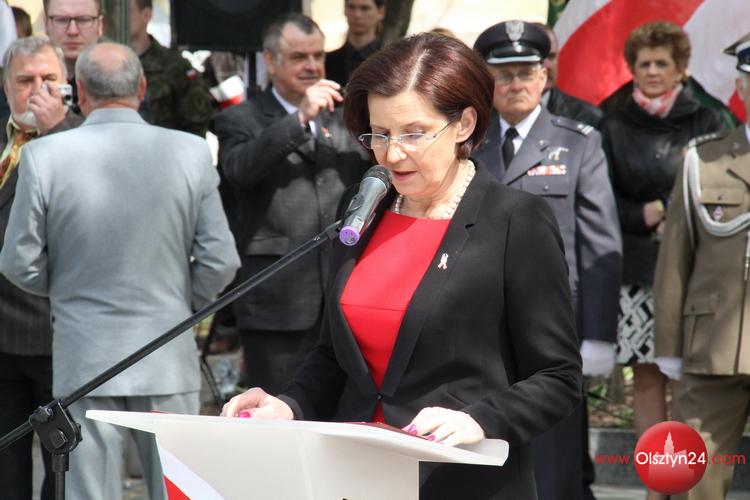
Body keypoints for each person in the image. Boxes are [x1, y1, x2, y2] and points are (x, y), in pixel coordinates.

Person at [222, 32, 583, 499]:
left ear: (464, 124)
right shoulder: (361, 210)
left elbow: (558, 378)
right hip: (354, 475)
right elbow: (335, 356)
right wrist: (288, 405)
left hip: (460, 480)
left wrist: (482, 419)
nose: (392, 154)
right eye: (380, 134)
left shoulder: (516, 220)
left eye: (413, 134)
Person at [0, 42, 240, 500]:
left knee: (90, 494)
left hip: (84, 354)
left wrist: (66, 292)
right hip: (167, 351)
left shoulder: (44, 156)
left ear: (80, 92)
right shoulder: (190, 152)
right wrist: (183, 304)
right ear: (142, 87)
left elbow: (17, 262)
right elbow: (221, 260)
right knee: (177, 491)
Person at [473, 20, 621, 500]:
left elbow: (600, 243)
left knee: (554, 455)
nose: (515, 84)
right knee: (485, 443)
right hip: (478, 321)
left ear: (544, 77)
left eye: (525, 73)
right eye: (504, 74)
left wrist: (598, 335)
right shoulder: (466, 142)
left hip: (552, 323)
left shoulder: (579, 141)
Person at [598, 23, 725, 500]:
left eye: (661, 64)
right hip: (635, 272)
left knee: (690, 379)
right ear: (633, 69)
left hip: (695, 270)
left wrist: (677, 209)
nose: (652, 71)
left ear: (680, 69)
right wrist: (641, 214)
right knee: (647, 376)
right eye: (644, 64)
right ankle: (659, 486)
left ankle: (690, 484)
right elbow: (599, 198)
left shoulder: (708, 120)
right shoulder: (611, 123)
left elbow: (723, 185)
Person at [215, 13, 369, 395]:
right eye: (300, 57)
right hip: (277, 303)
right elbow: (239, 170)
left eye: (318, 56)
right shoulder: (240, 118)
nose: (312, 66)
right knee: (278, 411)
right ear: (270, 61)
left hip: (344, 294)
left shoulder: (346, 117)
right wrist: (299, 119)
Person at [653, 32, 750, 500]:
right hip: (713, 350)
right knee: (692, 481)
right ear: (741, 88)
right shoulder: (702, 160)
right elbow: (676, 257)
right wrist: (669, 346)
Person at [0, 35, 81, 500]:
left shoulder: (82, 135)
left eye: (49, 79)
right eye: (24, 80)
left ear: (67, 84)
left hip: (53, 329)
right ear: (6, 87)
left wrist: (57, 131)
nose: (36, 91)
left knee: (61, 463)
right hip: (2, 334)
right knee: (6, 464)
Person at [129, 0, 214, 136]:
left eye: (128, 12)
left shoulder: (175, 66)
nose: (117, 18)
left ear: (146, 15)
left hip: (161, 146)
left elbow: (196, 122)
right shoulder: (105, 63)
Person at [535, 22, 602, 128]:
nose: (546, 66)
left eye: (551, 57)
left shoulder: (588, 117)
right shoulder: (506, 113)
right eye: (539, 58)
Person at [43, 0, 103, 111]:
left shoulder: (118, 81)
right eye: (61, 20)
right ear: (46, 24)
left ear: (100, 25)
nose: (72, 31)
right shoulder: (28, 82)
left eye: (83, 20)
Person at [325, 0, 384, 87]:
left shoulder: (392, 62)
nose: (357, 15)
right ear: (345, 10)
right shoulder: (326, 62)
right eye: (351, 7)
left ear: (380, 12)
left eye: (365, 8)